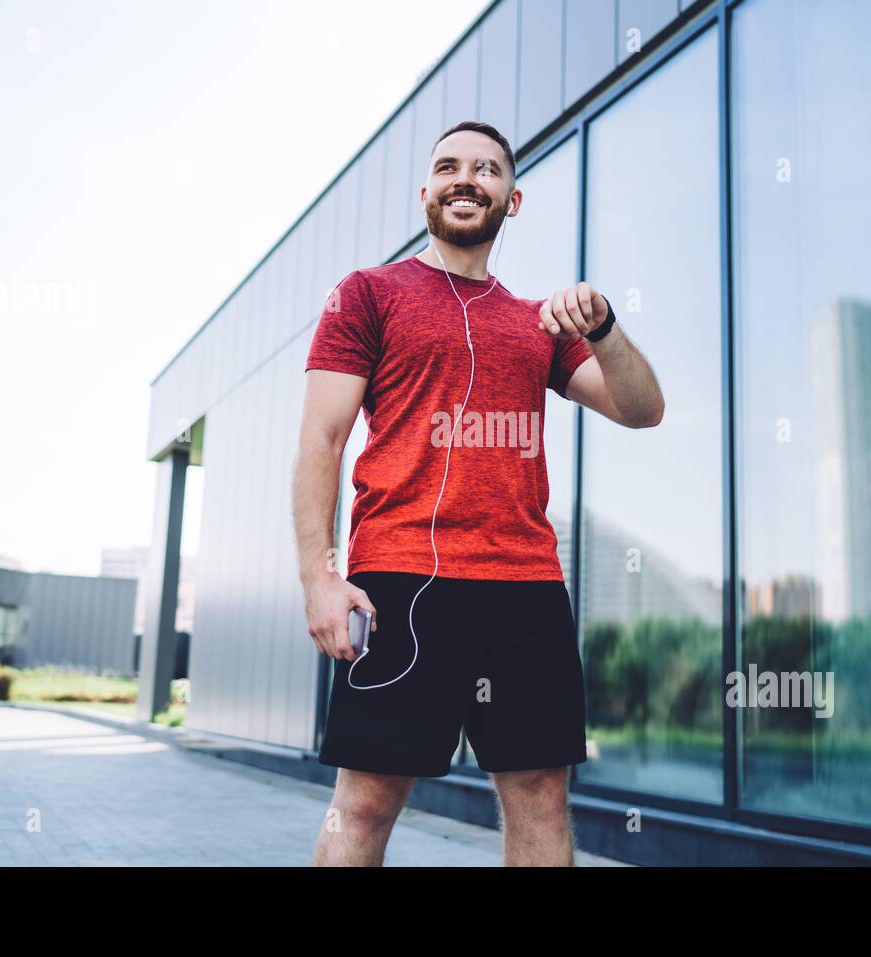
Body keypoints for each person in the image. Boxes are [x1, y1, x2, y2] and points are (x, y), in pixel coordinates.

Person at [293, 120, 665, 866]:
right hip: (399, 581)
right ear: (426, 191)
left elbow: (642, 408)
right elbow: (321, 442)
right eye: (450, 166)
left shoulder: (541, 324)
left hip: (524, 587)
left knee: (539, 792)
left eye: (488, 169)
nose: (469, 178)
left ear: (512, 199)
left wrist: (605, 328)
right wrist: (320, 577)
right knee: (364, 801)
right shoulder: (367, 294)